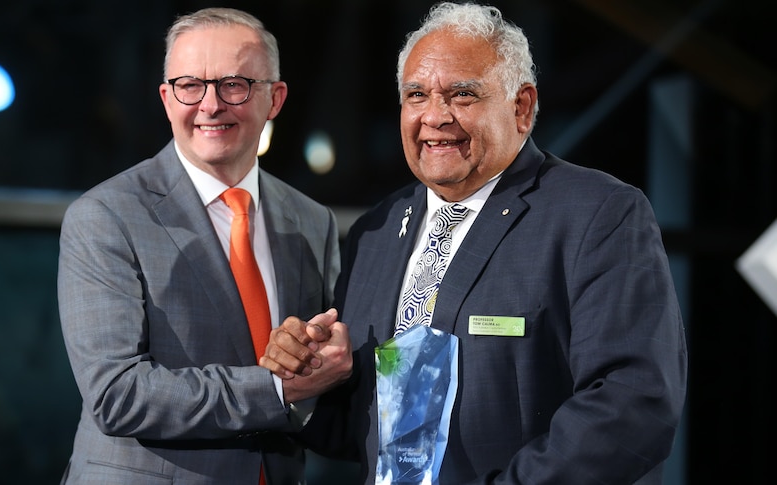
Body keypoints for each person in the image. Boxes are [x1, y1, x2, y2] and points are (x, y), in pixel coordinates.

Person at [261, 2, 689, 484]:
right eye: (417, 94)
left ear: (521, 107)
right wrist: (310, 385)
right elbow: (367, 430)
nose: (435, 116)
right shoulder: (376, 232)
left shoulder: (598, 213)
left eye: (462, 94)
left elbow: (633, 403)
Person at [57, 7, 350, 484]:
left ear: (275, 98)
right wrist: (276, 389)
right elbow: (117, 395)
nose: (210, 105)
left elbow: (319, 381)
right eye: (189, 85)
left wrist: (326, 357)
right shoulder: (105, 216)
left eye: (234, 84)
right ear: (166, 98)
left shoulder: (313, 221)